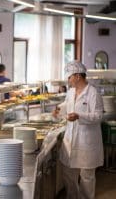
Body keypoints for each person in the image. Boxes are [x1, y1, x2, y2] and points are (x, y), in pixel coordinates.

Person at [52, 60, 104, 199]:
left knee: (87, 176)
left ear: (78, 76)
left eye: (69, 77)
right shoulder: (71, 92)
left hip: (86, 140)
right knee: (68, 172)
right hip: (70, 139)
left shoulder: (93, 93)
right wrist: (58, 109)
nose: (68, 80)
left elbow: (98, 115)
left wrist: (79, 116)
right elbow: (67, 104)